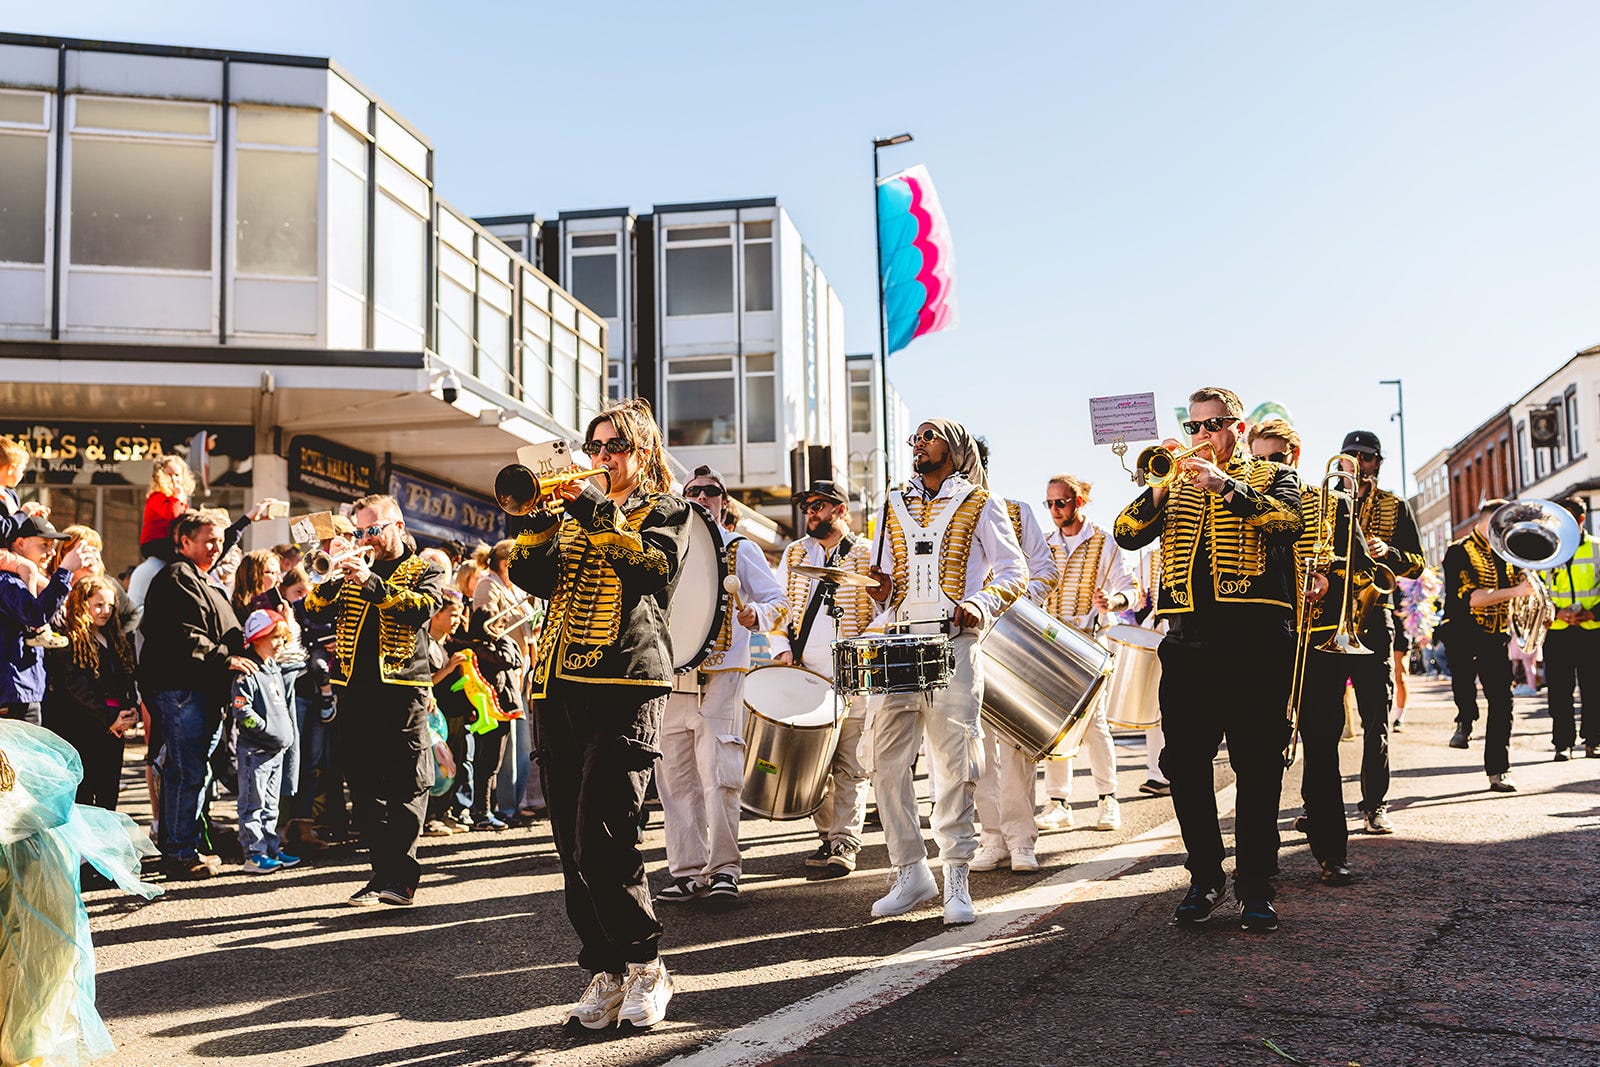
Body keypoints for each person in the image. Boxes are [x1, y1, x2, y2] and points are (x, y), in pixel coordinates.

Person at [507, 397, 691, 1030]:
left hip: (626, 683)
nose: (601, 457)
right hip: (557, 686)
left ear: (642, 453)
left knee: (605, 834)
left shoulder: (666, 509)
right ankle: (606, 970)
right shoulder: (569, 515)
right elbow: (531, 576)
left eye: (615, 446)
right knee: (569, 845)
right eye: (595, 446)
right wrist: (538, 520)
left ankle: (646, 964)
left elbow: (652, 571)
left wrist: (593, 508)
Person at [1114, 386, 1302, 932]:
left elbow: (1289, 523)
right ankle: (1205, 876)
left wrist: (1226, 486)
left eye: (1213, 424)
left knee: (1258, 765)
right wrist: (1157, 486)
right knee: (1184, 764)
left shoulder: (1273, 474)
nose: (1201, 434)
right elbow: (1127, 534)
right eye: (1194, 425)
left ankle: (1256, 885)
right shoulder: (1172, 482)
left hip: (1255, 640)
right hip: (1188, 641)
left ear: (1237, 428)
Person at [864, 419, 1027, 925]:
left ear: (954, 450)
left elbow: (1015, 571)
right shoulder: (891, 503)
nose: (918, 444)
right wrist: (881, 591)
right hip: (897, 644)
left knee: (957, 763)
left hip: (954, 644)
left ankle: (957, 875)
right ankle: (910, 870)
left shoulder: (981, 502)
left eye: (928, 436)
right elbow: (886, 582)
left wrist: (980, 603)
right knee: (884, 761)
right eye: (914, 437)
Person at [303, 494, 445, 906]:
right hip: (354, 689)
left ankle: (402, 877)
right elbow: (312, 609)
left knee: (406, 784)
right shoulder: (348, 569)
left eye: (373, 529)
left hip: (403, 689)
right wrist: (333, 572)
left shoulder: (424, 569)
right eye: (360, 530)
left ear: (398, 527)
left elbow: (421, 609)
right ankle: (380, 874)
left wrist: (370, 582)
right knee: (364, 788)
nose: (366, 537)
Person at [655, 464, 786, 906]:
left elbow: (778, 601)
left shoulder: (739, 548)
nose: (701, 497)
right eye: (692, 491)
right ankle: (687, 871)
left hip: (721, 676)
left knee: (720, 777)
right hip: (672, 679)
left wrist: (757, 615)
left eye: (710, 491)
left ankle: (725, 869)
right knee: (675, 781)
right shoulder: (664, 546)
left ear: (723, 502)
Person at [0, 718, 161, 1066]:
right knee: (38, 965)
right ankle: (25, 1046)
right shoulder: (25, 777)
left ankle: (23, 1045)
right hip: (37, 869)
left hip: (30, 866)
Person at [1278, 447, 1375, 887]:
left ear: (1295, 455)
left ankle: (1332, 852)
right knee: (1260, 753)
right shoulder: (1245, 499)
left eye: (1279, 457)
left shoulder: (1332, 502)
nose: (1272, 466)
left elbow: (1363, 569)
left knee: (1321, 750)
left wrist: (1330, 577)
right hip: (1268, 640)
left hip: (1319, 643)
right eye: (1262, 457)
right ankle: (1260, 856)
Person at [771, 479, 876, 875]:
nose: (810, 513)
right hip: (807, 674)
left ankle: (845, 841)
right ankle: (828, 835)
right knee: (815, 764)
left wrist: (863, 646)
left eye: (818, 505)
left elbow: (885, 609)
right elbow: (779, 603)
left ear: (841, 510)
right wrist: (781, 646)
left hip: (854, 675)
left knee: (851, 764)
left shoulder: (867, 552)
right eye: (807, 507)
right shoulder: (795, 552)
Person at [138, 507, 248, 879]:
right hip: (183, 690)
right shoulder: (177, 577)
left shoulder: (198, 576)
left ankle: (182, 846)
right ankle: (180, 854)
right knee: (186, 772)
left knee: (190, 772)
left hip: (201, 690)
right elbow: (184, 635)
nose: (216, 547)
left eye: (220, 541)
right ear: (184, 542)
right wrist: (226, 658)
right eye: (209, 541)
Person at [970, 443, 1059, 874]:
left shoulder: (1017, 512)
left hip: (1013, 640)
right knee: (975, 746)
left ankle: (1021, 838)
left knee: (1017, 745)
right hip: (966, 643)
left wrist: (1010, 606)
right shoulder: (936, 516)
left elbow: (1045, 571)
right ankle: (991, 836)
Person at [1034, 474, 1135, 835]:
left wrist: (1112, 601)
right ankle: (1058, 803)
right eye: (1049, 503)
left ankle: (1108, 799)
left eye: (1060, 502)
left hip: (1092, 643)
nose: (1054, 510)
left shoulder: (1105, 540)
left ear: (1078, 502)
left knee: (1094, 724)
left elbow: (1129, 589)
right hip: (1053, 644)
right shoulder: (1044, 544)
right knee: (1054, 724)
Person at [1338, 430, 1424, 833]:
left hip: (1375, 617)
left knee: (1377, 715)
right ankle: (1317, 805)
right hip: (1330, 615)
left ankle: (1375, 804)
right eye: (1351, 455)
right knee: (1321, 720)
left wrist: (1389, 553)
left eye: (1366, 456)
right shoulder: (1322, 500)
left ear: (1377, 462)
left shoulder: (1396, 505)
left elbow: (1418, 564)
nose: (1358, 462)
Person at [1439, 499, 1531, 791]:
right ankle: (1465, 720)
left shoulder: (1508, 551)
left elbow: (1522, 586)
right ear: (1485, 521)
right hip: (1462, 632)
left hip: (1495, 635)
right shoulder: (1458, 551)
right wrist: (1517, 590)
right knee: (1465, 688)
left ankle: (1498, 769)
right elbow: (1474, 598)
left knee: (1503, 700)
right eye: (1501, 524)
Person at [45, 575, 139, 809]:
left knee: (109, 795)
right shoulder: (71, 640)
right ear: (82, 604)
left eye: (110, 605)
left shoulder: (114, 637)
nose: (106, 611)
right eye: (99, 604)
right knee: (84, 796)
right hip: (85, 727)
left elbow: (126, 679)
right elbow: (78, 687)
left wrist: (131, 711)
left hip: (114, 728)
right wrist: (110, 718)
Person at [2, 517, 96, 725]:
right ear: (20, 543)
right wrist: (65, 570)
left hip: (25, 690)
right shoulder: (7, 580)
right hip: (13, 694)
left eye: (53, 546)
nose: (51, 552)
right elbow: (36, 615)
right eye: (44, 545)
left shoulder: (26, 578)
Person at [232, 608, 301, 875]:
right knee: (254, 804)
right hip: (256, 750)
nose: (280, 643)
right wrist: (265, 730)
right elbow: (242, 710)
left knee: (271, 805)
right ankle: (254, 854)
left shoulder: (272, 668)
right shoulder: (247, 672)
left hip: (276, 751)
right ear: (257, 638)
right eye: (274, 637)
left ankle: (271, 847)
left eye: (282, 637)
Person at [1542, 497, 1600, 760]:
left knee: (1594, 688)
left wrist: (1591, 613)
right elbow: (1538, 593)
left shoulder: (1598, 548)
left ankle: (1593, 741)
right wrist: (1557, 613)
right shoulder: (1545, 551)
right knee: (1558, 691)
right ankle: (1562, 743)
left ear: (1581, 519)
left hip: (1592, 628)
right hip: (1557, 631)